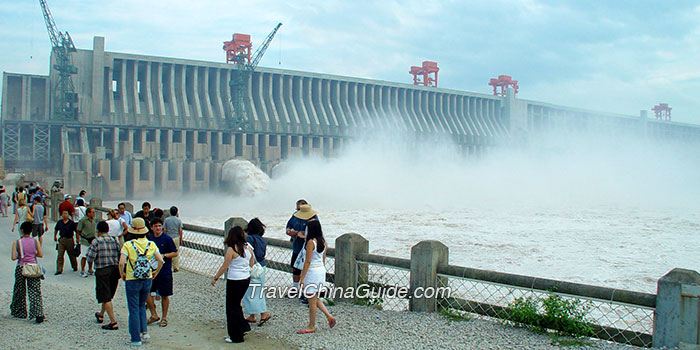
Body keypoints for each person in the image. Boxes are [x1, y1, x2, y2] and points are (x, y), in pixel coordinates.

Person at [119, 217, 164, 346]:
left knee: (133, 308)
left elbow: (122, 262)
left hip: (132, 279)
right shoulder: (151, 244)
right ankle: (144, 332)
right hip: (147, 278)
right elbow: (160, 260)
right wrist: (155, 272)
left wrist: (122, 273)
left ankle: (135, 338)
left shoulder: (128, 245)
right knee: (141, 306)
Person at [211, 226, 254, 343]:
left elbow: (225, 266)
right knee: (237, 305)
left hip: (234, 280)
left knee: (231, 307)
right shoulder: (248, 247)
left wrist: (215, 278)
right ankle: (242, 327)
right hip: (246, 278)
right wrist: (244, 268)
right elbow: (252, 262)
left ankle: (236, 336)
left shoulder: (231, 249)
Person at [297, 220, 336, 334]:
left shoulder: (310, 242)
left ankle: (311, 326)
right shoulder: (323, 242)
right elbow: (323, 259)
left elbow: (308, 261)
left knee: (311, 301)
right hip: (320, 270)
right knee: (315, 297)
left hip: (312, 271)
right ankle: (329, 316)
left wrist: (302, 278)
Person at [86, 221, 121, 330]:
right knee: (108, 294)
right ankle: (101, 314)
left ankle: (113, 321)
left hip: (102, 270)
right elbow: (120, 253)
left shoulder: (96, 241)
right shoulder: (115, 240)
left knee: (105, 296)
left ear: (98, 230)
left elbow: (89, 257)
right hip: (115, 270)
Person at [145, 217, 177, 328]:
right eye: (156, 226)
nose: (158, 228)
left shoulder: (167, 239)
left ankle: (164, 317)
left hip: (165, 271)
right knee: (146, 292)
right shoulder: (149, 239)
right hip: (151, 271)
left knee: (165, 295)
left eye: (159, 226)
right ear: (151, 228)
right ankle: (154, 314)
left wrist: (164, 256)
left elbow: (175, 253)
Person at [10, 221, 45, 323]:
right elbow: (40, 254)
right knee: (35, 291)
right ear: (31, 231)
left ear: (21, 230)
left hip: (21, 267)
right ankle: (37, 313)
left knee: (19, 291)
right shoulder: (35, 241)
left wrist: (21, 255)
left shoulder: (17, 242)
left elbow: (13, 257)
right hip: (33, 267)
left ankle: (20, 312)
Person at [286, 200, 319, 304]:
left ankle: (306, 292)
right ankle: (296, 289)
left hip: (308, 248)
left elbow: (317, 235)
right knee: (296, 269)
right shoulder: (294, 216)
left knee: (308, 269)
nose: (297, 210)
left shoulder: (314, 219)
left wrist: (302, 235)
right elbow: (288, 227)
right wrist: (292, 232)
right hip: (297, 247)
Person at [243, 218, 272, 326]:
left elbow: (248, 253)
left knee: (251, 292)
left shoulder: (249, 239)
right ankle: (252, 315)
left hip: (254, 267)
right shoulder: (262, 240)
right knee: (258, 290)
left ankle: (264, 313)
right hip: (262, 267)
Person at [53, 210, 78, 275]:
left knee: (71, 255)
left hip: (69, 239)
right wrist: (55, 236)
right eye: (63, 213)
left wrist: (77, 239)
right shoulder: (59, 222)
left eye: (66, 214)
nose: (64, 215)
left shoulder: (71, 223)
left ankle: (74, 266)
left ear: (68, 215)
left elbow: (76, 231)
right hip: (62, 239)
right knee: (60, 255)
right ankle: (59, 269)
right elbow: (56, 229)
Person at [77, 207, 97, 277]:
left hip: (92, 239)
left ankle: (90, 269)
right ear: (88, 213)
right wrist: (78, 239)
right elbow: (78, 230)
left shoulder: (94, 220)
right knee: (84, 255)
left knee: (91, 255)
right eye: (92, 212)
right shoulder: (83, 220)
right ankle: (82, 270)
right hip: (85, 239)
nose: (94, 214)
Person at [163, 206, 183, 272]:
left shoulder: (166, 220)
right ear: (177, 212)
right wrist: (181, 239)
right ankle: (176, 267)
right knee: (176, 252)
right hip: (176, 237)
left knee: (168, 252)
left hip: (168, 237)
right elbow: (180, 230)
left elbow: (165, 230)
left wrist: (164, 237)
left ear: (170, 212)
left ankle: (168, 266)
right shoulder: (178, 220)